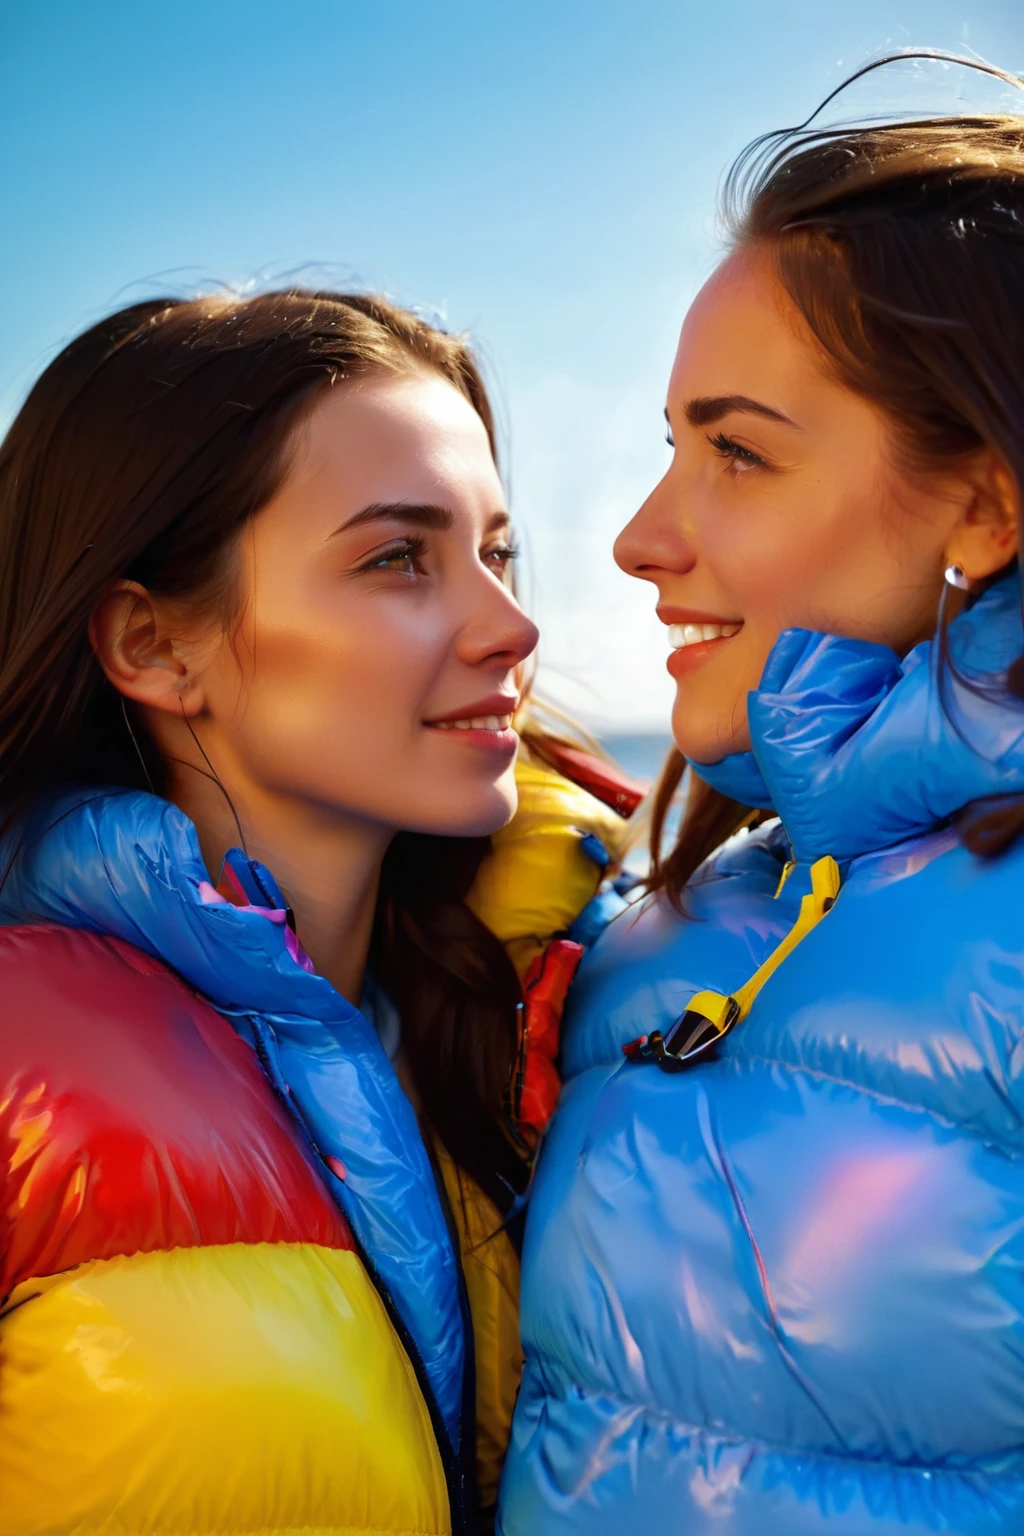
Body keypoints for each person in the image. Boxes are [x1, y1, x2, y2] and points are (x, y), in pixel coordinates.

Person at [0, 289, 633, 1536]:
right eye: (399, 557)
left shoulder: (575, 1007)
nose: (513, 628)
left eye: (495, 554)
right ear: (153, 644)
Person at [499, 58, 1024, 1536]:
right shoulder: (658, 926)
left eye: (737, 452)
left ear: (984, 504)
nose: (638, 538)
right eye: (673, 446)